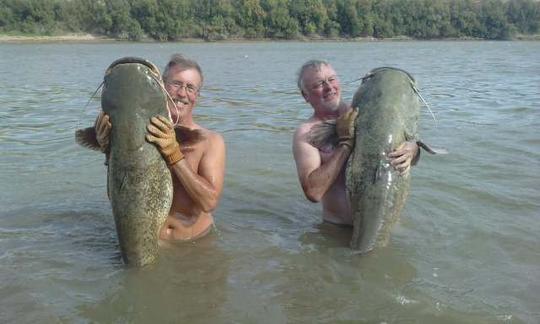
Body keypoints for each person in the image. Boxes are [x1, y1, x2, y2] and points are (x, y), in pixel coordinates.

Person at [94, 54, 226, 241]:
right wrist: (109, 150)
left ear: (197, 95)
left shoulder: (210, 141)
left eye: (190, 87)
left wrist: (174, 154)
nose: (182, 93)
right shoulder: (135, 132)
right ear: (161, 86)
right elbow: (121, 198)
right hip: (151, 242)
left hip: (193, 245)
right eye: (176, 84)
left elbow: (209, 202)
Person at [292, 60, 419, 226]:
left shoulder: (369, 112)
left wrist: (413, 150)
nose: (329, 87)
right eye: (319, 84)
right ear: (305, 95)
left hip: (384, 225)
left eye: (332, 79)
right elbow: (314, 192)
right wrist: (345, 143)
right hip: (336, 231)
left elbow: (407, 155)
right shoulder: (305, 134)